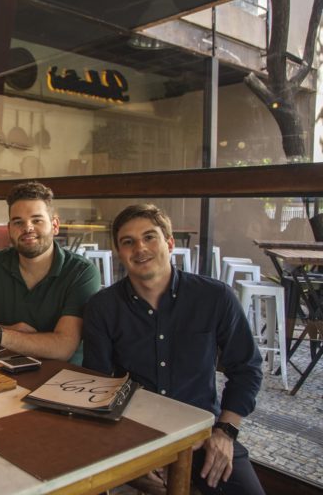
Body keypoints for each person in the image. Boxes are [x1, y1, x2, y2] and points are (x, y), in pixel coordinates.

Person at [82, 203, 264, 495]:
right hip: (134, 437)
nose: (140, 248)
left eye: (149, 237)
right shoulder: (102, 307)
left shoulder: (215, 297)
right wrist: (131, 460)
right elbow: (100, 387)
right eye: (128, 242)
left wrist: (226, 432)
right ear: (119, 252)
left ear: (169, 243)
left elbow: (247, 368)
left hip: (203, 436)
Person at [0, 181, 101, 362]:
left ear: (55, 225)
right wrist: (2, 330)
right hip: (8, 368)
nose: (27, 228)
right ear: (9, 229)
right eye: (18, 222)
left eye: (37, 220)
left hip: (63, 379)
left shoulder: (81, 272)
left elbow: (63, 347)